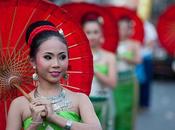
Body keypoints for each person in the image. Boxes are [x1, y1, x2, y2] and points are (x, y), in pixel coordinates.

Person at [6, 20, 102, 130]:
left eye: (62, 57)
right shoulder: (19, 105)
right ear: (32, 61)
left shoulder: (80, 99)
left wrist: (54, 118)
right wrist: (34, 124)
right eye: (48, 57)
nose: (56, 64)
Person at [81, 13, 117, 130]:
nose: (92, 36)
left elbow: (113, 83)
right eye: (88, 32)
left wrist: (94, 70)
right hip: (83, 106)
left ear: (101, 34)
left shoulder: (109, 56)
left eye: (95, 32)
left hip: (104, 103)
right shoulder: (78, 57)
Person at [114, 17, 141, 130]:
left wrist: (124, 57)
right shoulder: (112, 43)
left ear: (129, 29)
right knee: (116, 112)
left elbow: (138, 60)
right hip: (115, 81)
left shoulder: (134, 44)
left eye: (123, 28)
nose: (120, 30)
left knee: (128, 111)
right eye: (119, 27)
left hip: (129, 81)